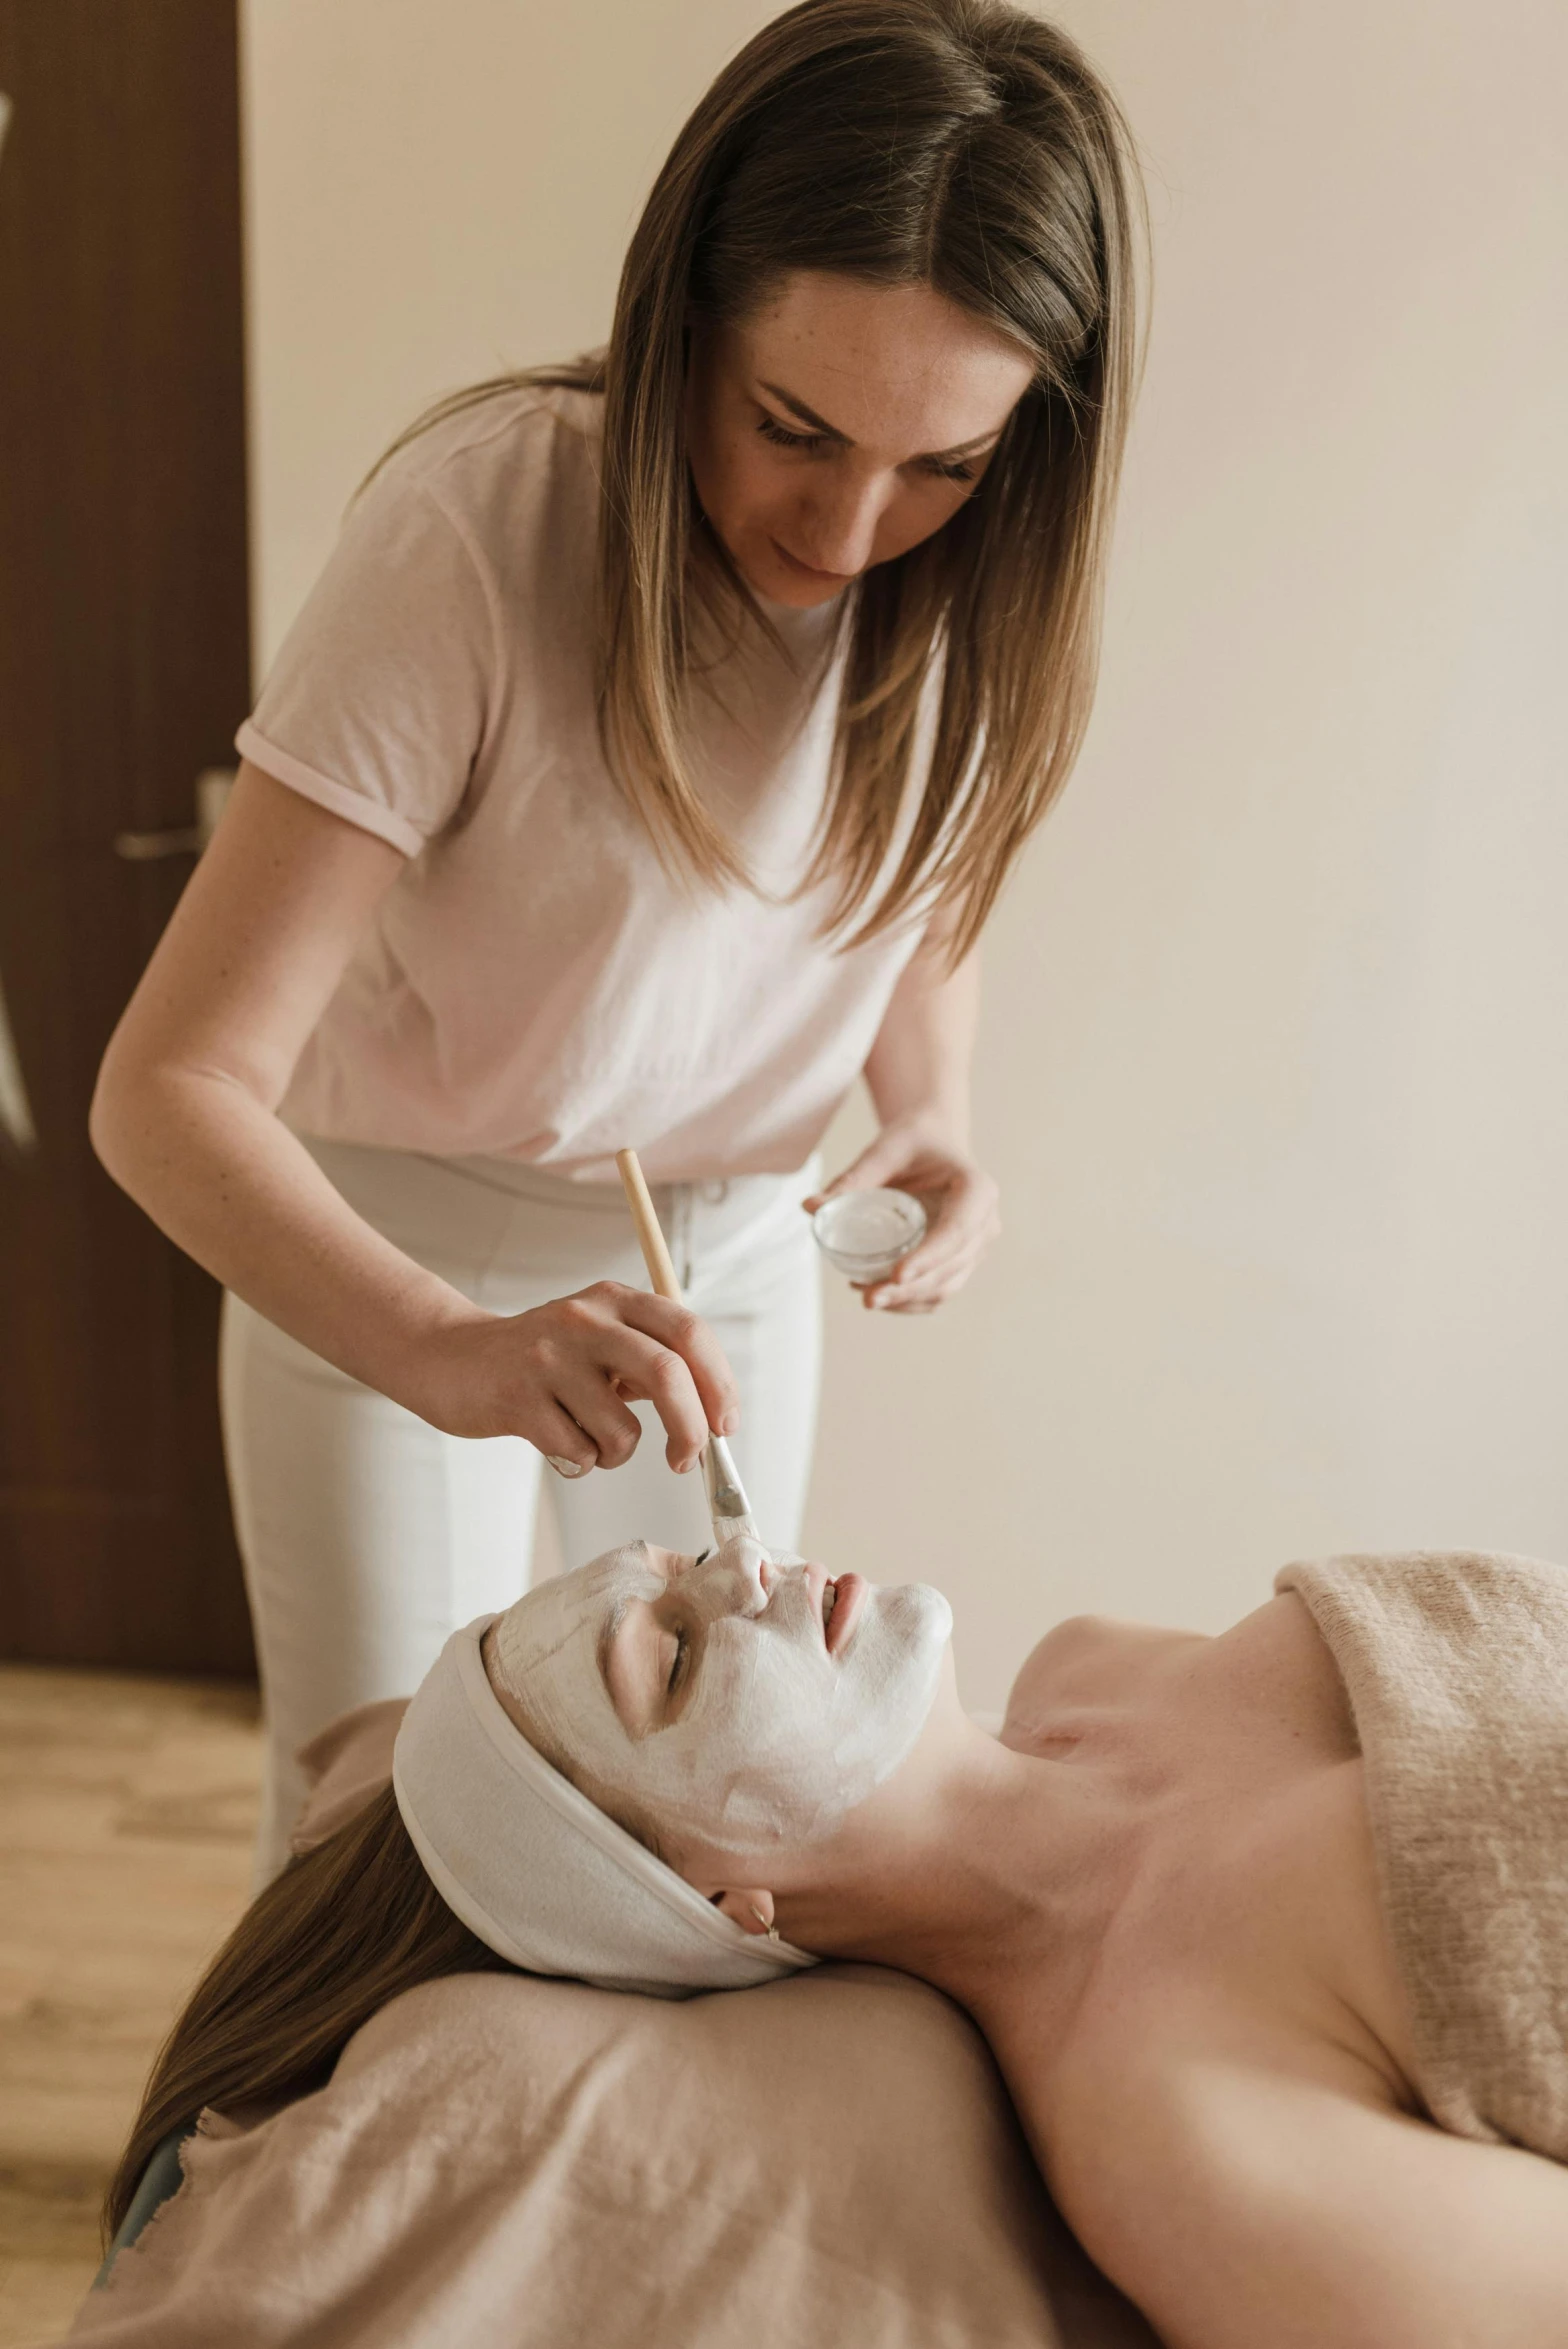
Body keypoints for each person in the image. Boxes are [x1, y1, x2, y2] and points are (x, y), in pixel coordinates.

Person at [88, 0, 1143, 1876]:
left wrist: (936, 1108)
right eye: (792, 428)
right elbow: (165, 1093)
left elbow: (907, 880)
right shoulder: (485, 528)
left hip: (724, 1266)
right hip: (389, 1261)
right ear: (686, 320)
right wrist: (447, 1348)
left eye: (942, 466)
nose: (847, 526)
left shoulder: (976, 580)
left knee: (689, 1823)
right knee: (373, 1844)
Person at [109, 1535, 1568, 2347]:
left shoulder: (1097, 1659)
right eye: (673, 1656)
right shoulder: (1164, 2108)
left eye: (673, 1564)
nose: (740, 1567)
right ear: (724, 1901)